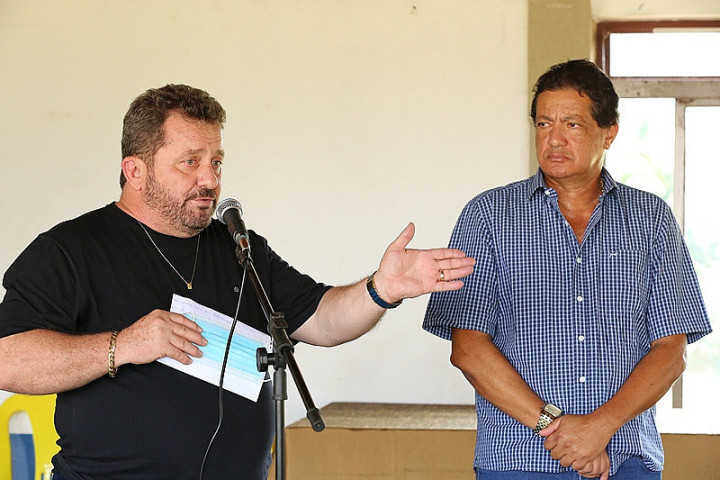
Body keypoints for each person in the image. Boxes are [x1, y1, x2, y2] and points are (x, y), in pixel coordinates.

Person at [0, 84, 476, 480]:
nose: (210, 179)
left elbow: (322, 320)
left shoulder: (239, 247)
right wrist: (123, 344)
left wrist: (381, 289)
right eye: (191, 161)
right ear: (135, 171)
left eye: (217, 162)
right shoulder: (69, 250)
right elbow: (9, 360)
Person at [423, 59, 711, 480]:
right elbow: (467, 349)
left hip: (626, 459)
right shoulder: (488, 215)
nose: (554, 139)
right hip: (518, 460)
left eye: (572, 125)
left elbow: (672, 351)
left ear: (608, 132)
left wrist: (599, 428)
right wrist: (561, 431)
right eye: (543, 124)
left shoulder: (651, 219)